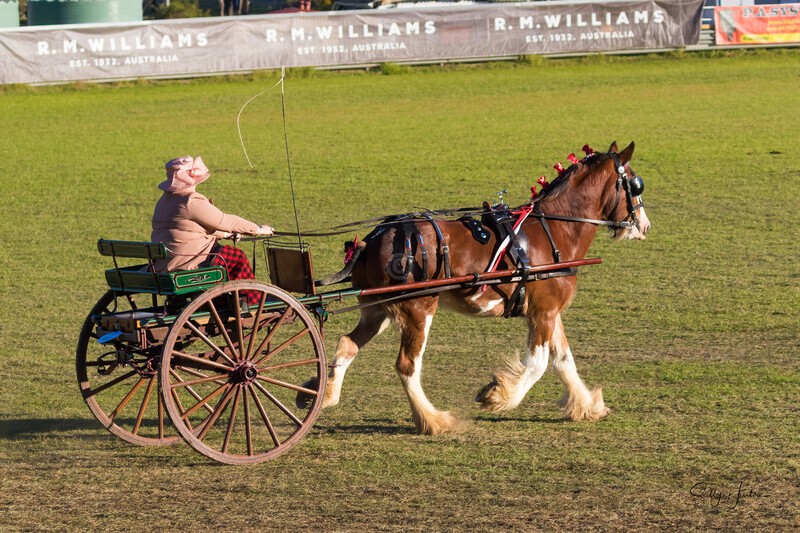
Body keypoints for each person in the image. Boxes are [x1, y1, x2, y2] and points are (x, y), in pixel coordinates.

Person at [151, 155, 273, 304]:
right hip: (186, 262)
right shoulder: (190, 201)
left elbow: (189, 229)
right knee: (237, 256)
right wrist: (258, 229)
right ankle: (251, 301)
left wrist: (225, 234)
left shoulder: (164, 201)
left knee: (227, 254)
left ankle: (227, 298)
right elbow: (226, 221)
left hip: (165, 263)